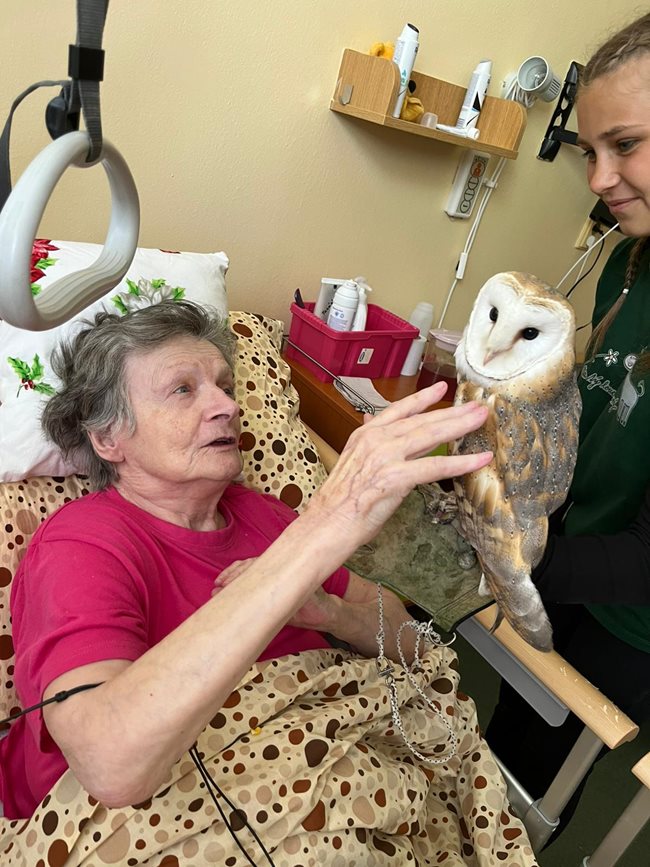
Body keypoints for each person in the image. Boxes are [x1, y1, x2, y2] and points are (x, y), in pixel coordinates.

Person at [0, 299, 492, 820]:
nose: (227, 407)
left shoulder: (264, 516)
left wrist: (330, 613)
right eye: (182, 389)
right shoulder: (83, 545)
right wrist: (323, 525)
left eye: (226, 387)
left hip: (335, 781)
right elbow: (109, 766)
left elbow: (413, 643)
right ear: (107, 438)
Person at [485, 10, 650, 838]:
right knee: (503, 736)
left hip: (633, 616)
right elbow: (601, 404)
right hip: (578, 550)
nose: (599, 177)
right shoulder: (628, 259)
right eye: (590, 151)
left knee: (537, 779)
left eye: (625, 145)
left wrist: (526, 556)